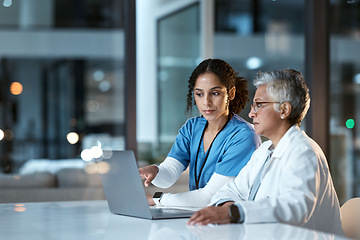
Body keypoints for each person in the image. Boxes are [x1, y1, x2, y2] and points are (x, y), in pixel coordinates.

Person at [188, 69, 344, 236]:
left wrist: (234, 212)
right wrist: (228, 206)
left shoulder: (303, 152)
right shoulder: (264, 151)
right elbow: (231, 190)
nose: (251, 113)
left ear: (284, 110)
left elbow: (296, 208)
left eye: (259, 105)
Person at [139, 59, 261, 207]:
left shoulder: (244, 136)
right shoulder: (192, 127)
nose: (206, 102)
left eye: (214, 93)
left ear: (231, 93)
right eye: (199, 94)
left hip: (229, 222)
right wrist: (154, 171)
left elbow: (210, 197)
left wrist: (157, 199)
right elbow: (169, 174)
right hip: (199, 217)